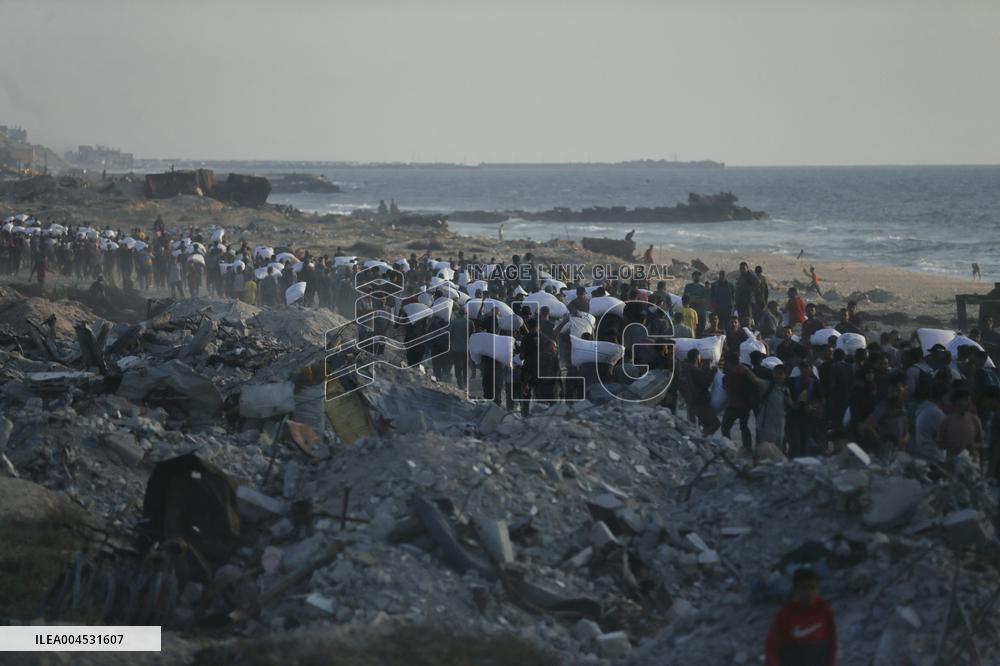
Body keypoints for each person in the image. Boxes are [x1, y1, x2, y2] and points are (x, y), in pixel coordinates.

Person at [765, 568, 837, 666]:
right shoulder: (785, 614)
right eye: (803, 588)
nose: (808, 593)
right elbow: (772, 646)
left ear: (818, 589)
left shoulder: (824, 610)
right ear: (796, 590)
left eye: (812, 588)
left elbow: (832, 642)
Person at [937, 387, 984, 468]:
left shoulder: (975, 419)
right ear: (956, 401)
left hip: (971, 463)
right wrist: (951, 445)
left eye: (969, 400)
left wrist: (973, 446)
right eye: (966, 399)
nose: (969, 402)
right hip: (952, 463)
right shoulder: (947, 420)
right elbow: (939, 443)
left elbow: (981, 443)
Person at [720, 353, 757, 454]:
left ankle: (728, 447)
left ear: (729, 363)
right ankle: (747, 447)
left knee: (725, 427)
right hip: (746, 405)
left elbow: (726, 387)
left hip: (734, 405)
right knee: (744, 426)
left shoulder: (730, 374)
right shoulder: (746, 371)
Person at [683, 272, 710, 336]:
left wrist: (694, 299)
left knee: (699, 333)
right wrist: (696, 299)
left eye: (698, 276)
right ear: (692, 277)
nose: (697, 277)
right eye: (695, 275)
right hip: (690, 314)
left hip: (700, 313)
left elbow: (705, 300)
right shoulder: (688, 287)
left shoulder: (703, 288)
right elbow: (686, 299)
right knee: (690, 332)